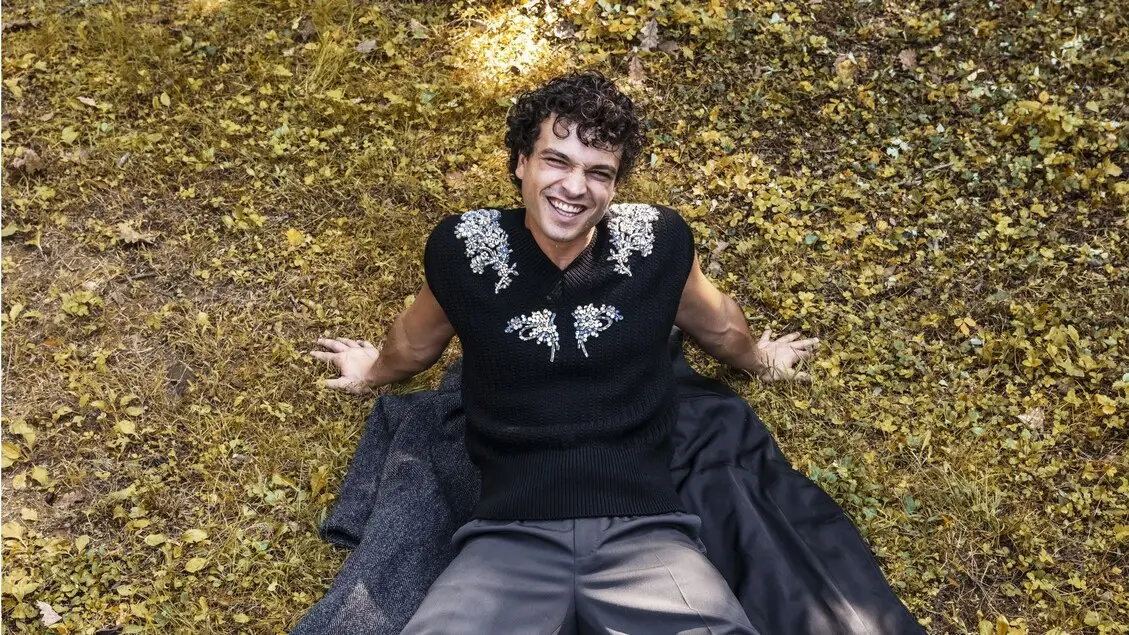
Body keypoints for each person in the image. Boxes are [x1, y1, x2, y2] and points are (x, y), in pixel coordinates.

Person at [310, 72, 819, 634]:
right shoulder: (464, 250)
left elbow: (719, 327)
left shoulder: (658, 243)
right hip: (507, 537)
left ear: (616, 185)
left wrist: (762, 360)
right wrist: (370, 372)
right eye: (557, 161)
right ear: (521, 162)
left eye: (599, 172)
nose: (575, 187)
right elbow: (414, 342)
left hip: (646, 533)